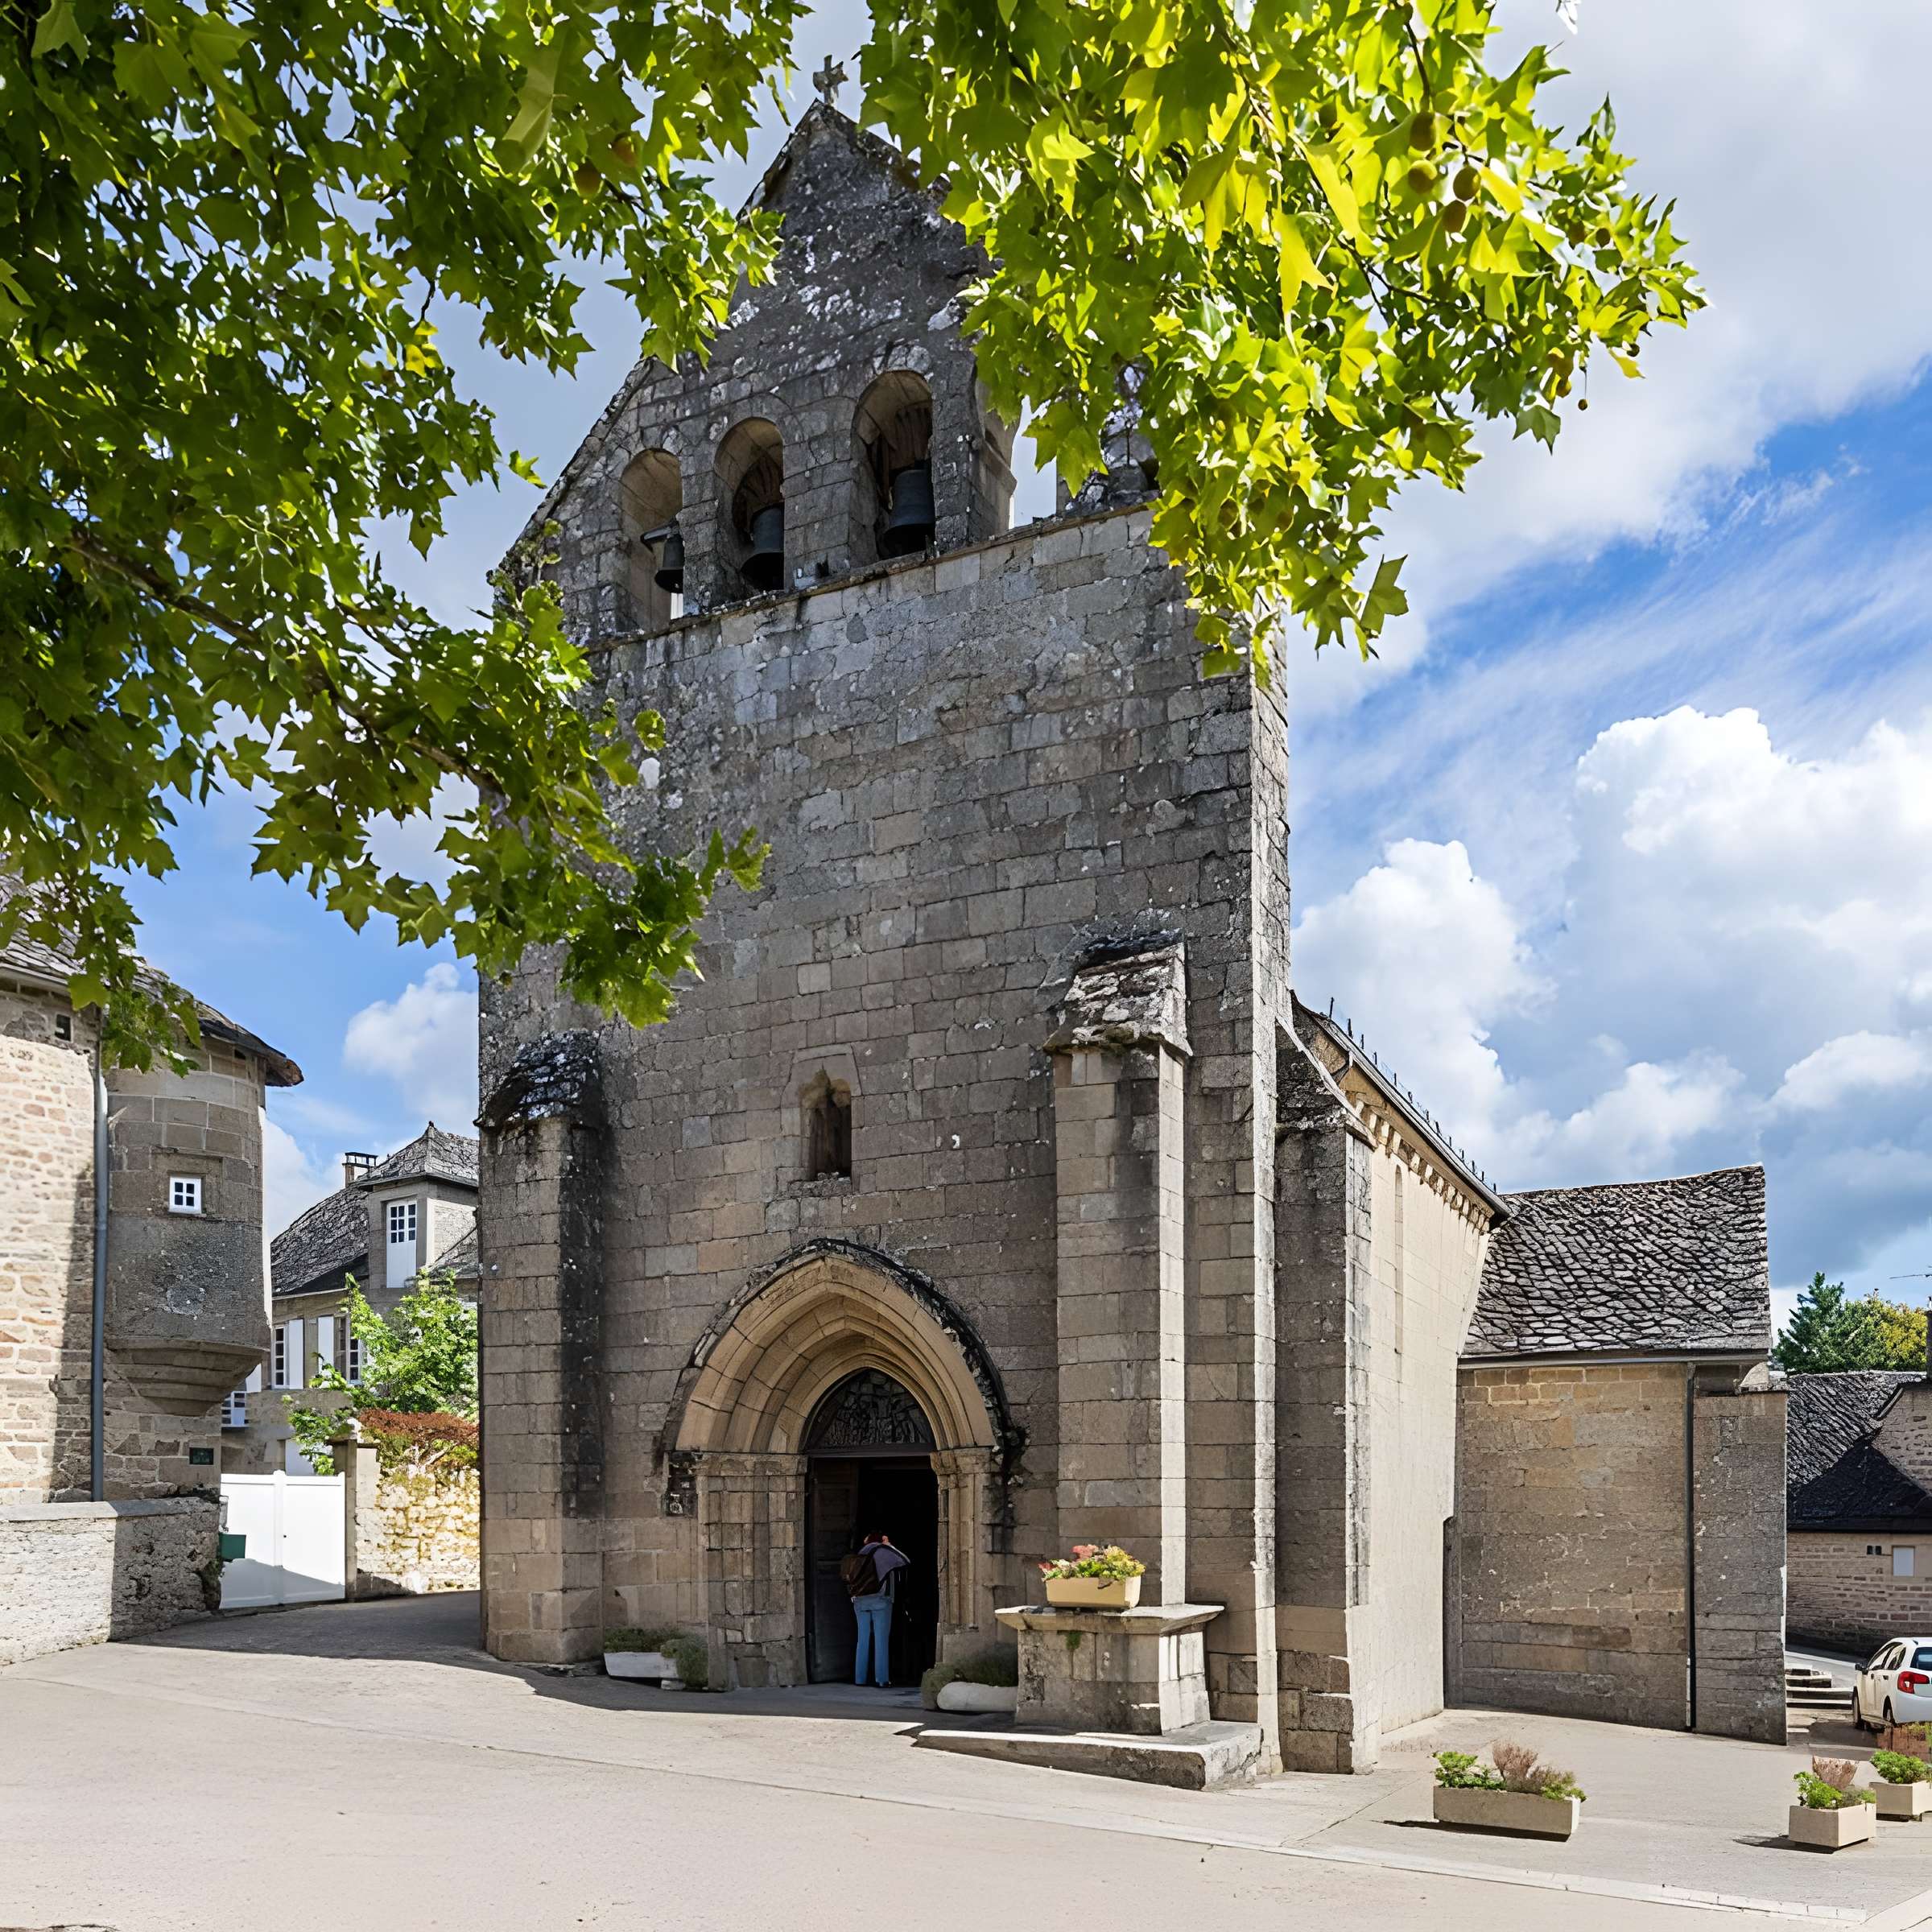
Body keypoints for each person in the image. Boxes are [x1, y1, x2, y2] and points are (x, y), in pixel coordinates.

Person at [842, 1531, 910, 1688]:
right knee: (881, 1639)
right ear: (882, 1540)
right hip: (880, 1601)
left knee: (862, 1639)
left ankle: (860, 1679)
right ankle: (882, 1679)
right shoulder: (883, 1553)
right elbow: (905, 1560)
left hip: (860, 1601)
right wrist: (889, 1546)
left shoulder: (860, 1554)